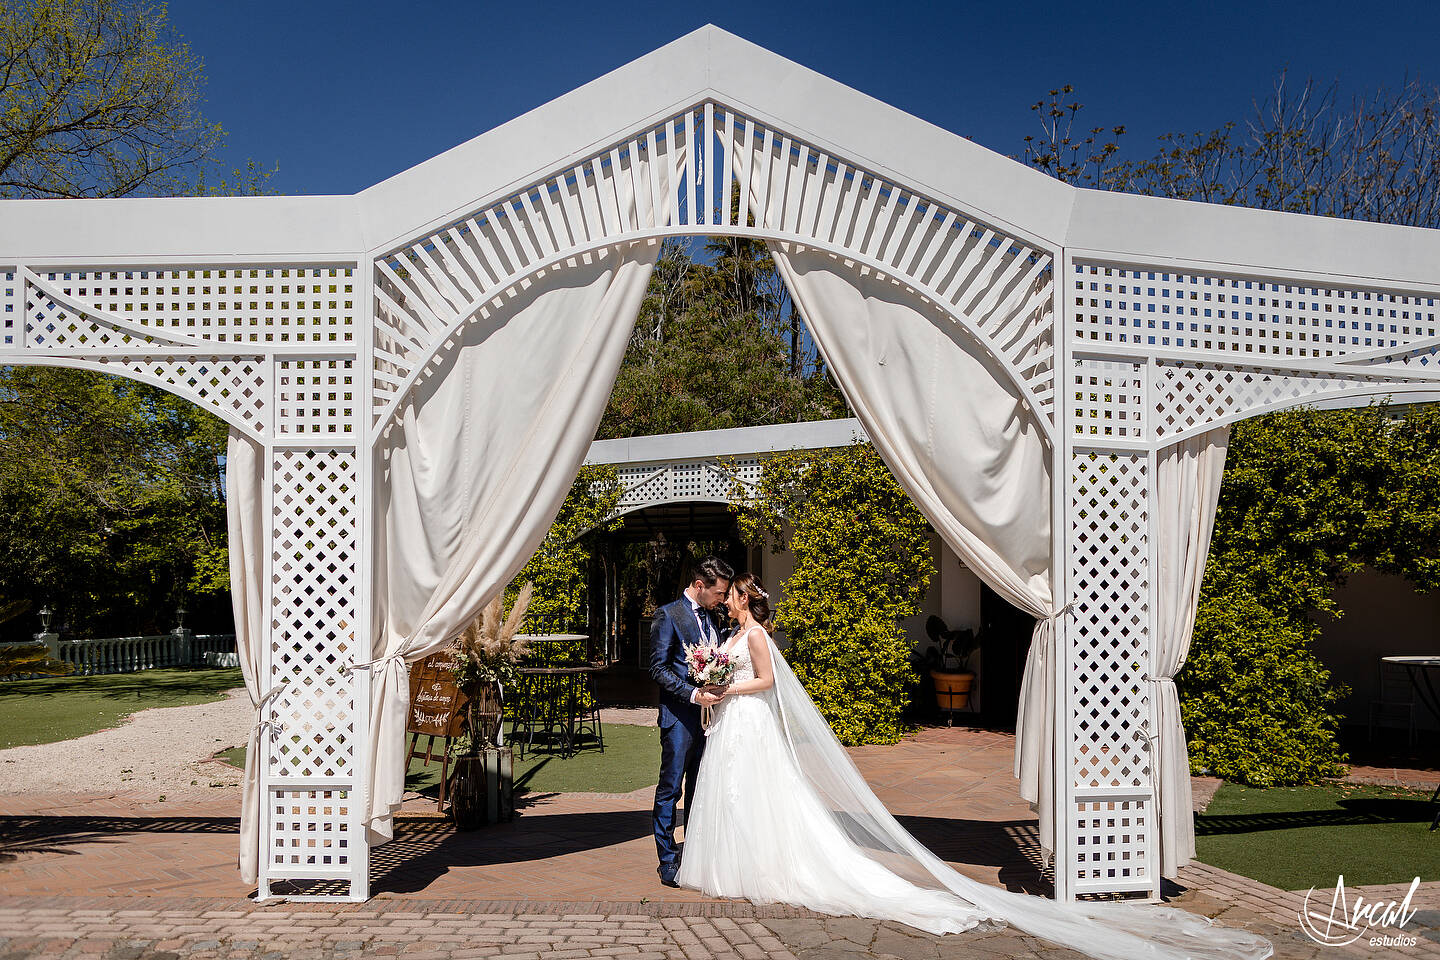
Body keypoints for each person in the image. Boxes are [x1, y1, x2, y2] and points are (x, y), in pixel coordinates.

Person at [676, 573, 1273, 960]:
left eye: (729, 595)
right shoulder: (728, 635)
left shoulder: (755, 637)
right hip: (731, 726)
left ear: (744, 601)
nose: (724, 600)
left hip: (745, 721)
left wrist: (726, 690)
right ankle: (732, 863)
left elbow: (767, 680)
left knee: (755, 795)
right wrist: (711, 688)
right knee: (731, 797)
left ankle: (762, 864)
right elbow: (733, 676)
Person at [648, 555, 733, 888]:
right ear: (700, 586)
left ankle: (696, 853)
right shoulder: (668, 615)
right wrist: (693, 694)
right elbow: (658, 668)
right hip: (680, 717)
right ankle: (668, 860)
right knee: (671, 790)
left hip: (709, 720)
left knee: (701, 788)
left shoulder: (715, 618)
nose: (722, 600)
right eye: (719, 593)